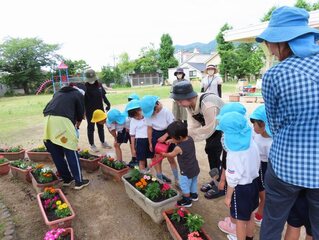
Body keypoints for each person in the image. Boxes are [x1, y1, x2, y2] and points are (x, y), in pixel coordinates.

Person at [255, 6, 319, 239]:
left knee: (272, 223)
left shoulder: (276, 74)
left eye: (271, 42)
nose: (270, 49)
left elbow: (273, 124)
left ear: (283, 42)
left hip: (286, 166)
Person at [170, 81, 225, 199]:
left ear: (188, 97)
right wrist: (184, 137)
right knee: (211, 152)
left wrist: (188, 137)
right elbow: (193, 125)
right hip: (213, 128)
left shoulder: (208, 104)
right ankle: (215, 179)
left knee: (217, 153)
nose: (179, 104)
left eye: (179, 101)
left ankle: (221, 186)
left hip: (225, 129)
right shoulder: (190, 105)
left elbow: (210, 128)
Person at [217, 112, 260, 240]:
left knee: (240, 221)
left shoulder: (234, 154)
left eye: (224, 133)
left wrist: (228, 197)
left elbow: (233, 179)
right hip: (253, 184)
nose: (223, 136)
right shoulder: (252, 143)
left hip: (240, 189)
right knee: (250, 214)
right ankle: (249, 237)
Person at [43, 83, 90, 190]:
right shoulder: (78, 94)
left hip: (47, 122)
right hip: (62, 123)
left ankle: (67, 179)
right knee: (71, 150)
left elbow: (47, 109)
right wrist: (76, 128)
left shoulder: (58, 93)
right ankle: (79, 181)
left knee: (57, 154)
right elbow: (80, 115)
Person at [217, 103, 247, 237]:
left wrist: (223, 179)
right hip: (248, 180)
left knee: (235, 206)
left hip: (235, 182)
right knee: (244, 209)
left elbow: (227, 164)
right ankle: (235, 222)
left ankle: (234, 227)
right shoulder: (246, 137)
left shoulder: (232, 145)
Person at [140, 95, 179, 184]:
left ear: (157, 104)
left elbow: (172, 126)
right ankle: (160, 179)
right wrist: (150, 142)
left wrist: (165, 136)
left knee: (171, 158)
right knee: (158, 159)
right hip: (156, 136)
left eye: (155, 110)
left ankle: (177, 179)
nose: (154, 112)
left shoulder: (166, 112)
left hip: (169, 134)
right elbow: (149, 128)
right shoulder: (148, 115)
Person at [161, 121, 200, 207]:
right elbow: (180, 140)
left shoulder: (178, 148)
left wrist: (164, 154)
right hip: (195, 168)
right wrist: (172, 140)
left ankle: (187, 200)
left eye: (173, 137)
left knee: (184, 184)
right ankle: (194, 195)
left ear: (179, 137)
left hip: (186, 171)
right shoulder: (190, 138)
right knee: (193, 182)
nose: (172, 138)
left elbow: (172, 154)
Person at [249, 105, 272, 226]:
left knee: (264, 193)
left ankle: (259, 215)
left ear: (264, 125)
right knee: (257, 190)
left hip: (265, 167)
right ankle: (255, 211)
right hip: (255, 164)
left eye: (255, 125)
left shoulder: (270, 142)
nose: (253, 127)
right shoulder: (255, 133)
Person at [84, 69, 111, 152]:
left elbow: (103, 96)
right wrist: (83, 111)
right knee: (91, 127)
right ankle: (92, 145)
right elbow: (82, 100)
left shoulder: (99, 85)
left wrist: (108, 104)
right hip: (90, 111)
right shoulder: (85, 87)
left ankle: (103, 142)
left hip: (100, 109)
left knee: (101, 126)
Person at [128, 100, 152, 170]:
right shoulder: (133, 121)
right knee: (141, 160)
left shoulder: (147, 116)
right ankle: (143, 177)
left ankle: (151, 174)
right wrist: (133, 149)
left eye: (137, 115)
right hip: (140, 141)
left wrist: (150, 142)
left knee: (153, 158)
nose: (136, 118)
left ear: (140, 110)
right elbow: (132, 136)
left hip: (149, 139)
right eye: (134, 117)